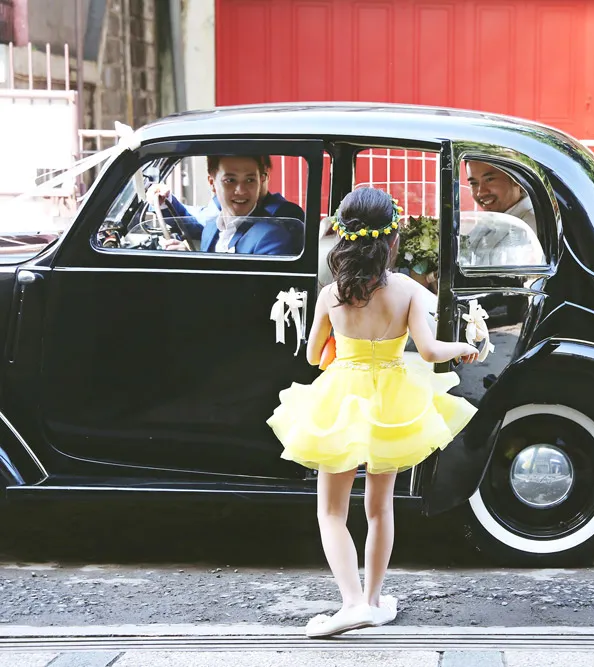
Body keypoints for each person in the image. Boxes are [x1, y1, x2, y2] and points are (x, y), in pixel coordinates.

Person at [266, 187, 480, 638]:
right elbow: (428, 350)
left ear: (341, 237)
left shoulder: (330, 294)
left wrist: (340, 346)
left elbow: (309, 357)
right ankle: (374, 601)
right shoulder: (405, 290)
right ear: (393, 238)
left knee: (332, 511)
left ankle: (349, 602)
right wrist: (463, 347)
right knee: (380, 507)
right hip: (393, 400)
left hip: (341, 397)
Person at [149, 155, 301, 255]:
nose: (240, 190)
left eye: (249, 180)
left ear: (261, 181)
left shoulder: (272, 236)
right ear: (212, 183)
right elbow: (193, 219)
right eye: (230, 180)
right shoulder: (210, 228)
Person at [465, 160, 536, 234]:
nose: (480, 193)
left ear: (517, 180)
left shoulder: (528, 229)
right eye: (473, 183)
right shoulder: (488, 222)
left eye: (489, 179)